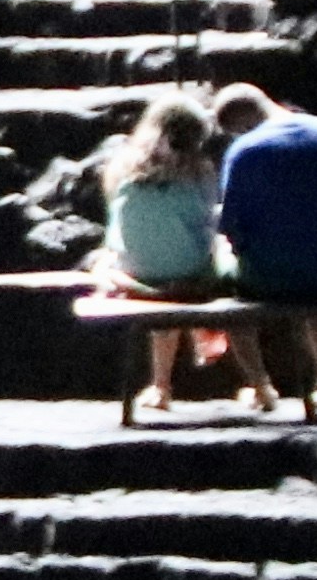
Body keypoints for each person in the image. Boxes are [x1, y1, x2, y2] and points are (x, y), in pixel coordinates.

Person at [208, 83, 317, 418]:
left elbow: (231, 226)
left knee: (222, 272)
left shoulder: (245, 150)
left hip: (272, 278)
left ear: (240, 124)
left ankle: (260, 386)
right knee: (311, 266)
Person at [98, 94, 256, 422]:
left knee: (153, 266)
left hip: (139, 276)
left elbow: (122, 228)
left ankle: (161, 386)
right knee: (219, 262)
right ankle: (260, 383)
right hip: (191, 273)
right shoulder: (199, 170)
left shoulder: (122, 168)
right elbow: (206, 220)